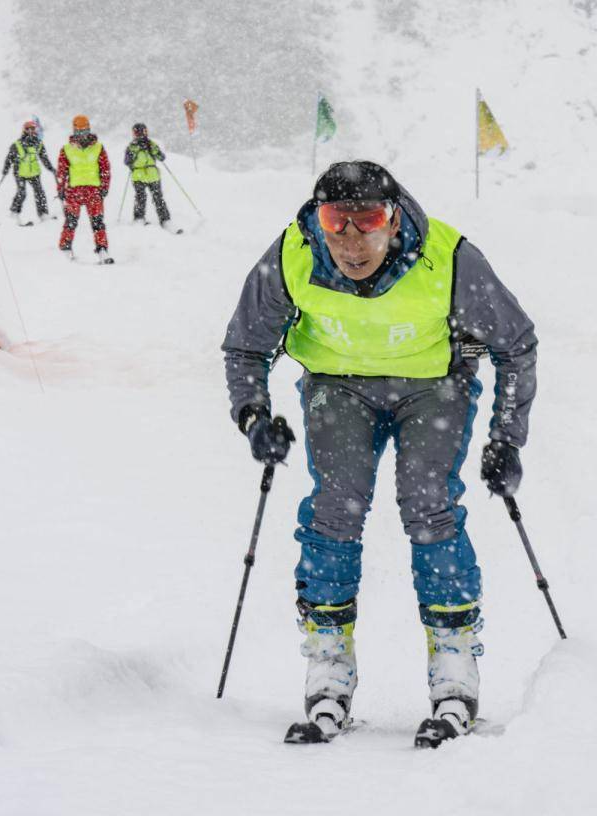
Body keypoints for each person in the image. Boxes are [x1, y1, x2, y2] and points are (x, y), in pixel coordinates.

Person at [222, 161, 537, 747]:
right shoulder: (293, 254)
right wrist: (253, 417)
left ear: (394, 219)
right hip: (337, 383)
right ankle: (328, 665)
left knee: (428, 506)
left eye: (367, 220)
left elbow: (515, 346)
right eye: (334, 221)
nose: (350, 239)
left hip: (432, 383)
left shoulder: (449, 257)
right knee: (334, 510)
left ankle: (454, 668)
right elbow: (245, 345)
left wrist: (505, 439)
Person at [56, 115, 113, 263]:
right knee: (71, 221)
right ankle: (65, 247)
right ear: (74, 131)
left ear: (89, 130)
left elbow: (105, 168)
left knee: (98, 222)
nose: (82, 135)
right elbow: (62, 171)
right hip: (74, 191)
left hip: (93, 191)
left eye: (85, 131)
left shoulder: (98, 147)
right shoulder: (67, 149)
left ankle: (102, 249)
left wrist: (104, 187)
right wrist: (61, 189)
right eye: (79, 132)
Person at [124, 123, 178, 232]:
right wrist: (134, 153)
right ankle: (139, 219)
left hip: (152, 175)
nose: (140, 134)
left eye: (143, 132)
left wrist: (154, 150)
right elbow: (127, 161)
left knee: (158, 198)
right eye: (137, 132)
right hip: (139, 175)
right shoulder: (132, 147)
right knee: (141, 197)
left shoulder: (151, 144)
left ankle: (165, 220)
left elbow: (162, 157)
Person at [1, 120, 56, 225]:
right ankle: (13, 214)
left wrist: (50, 168)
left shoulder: (38, 143)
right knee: (22, 193)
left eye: (32, 129)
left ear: (35, 130)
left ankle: (43, 214)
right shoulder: (17, 144)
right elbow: (9, 158)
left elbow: (44, 158)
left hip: (34, 172)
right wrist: (5, 169)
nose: (30, 131)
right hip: (20, 172)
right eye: (28, 129)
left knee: (40, 192)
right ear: (24, 130)